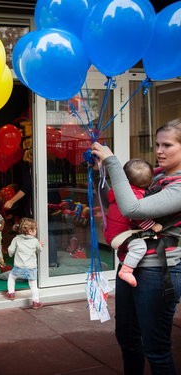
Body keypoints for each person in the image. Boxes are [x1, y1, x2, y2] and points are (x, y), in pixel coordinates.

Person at [91, 118, 181, 375]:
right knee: (128, 339)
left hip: (158, 272)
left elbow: (134, 208)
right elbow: (122, 198)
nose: (159, 151)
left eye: (167, 145)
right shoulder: (158, 177)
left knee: (156, 349)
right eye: (157, 145)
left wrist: (113, 162)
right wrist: (103, 171)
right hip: (131, 267)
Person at [104, 158, 163, 287]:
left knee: (133, 245)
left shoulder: (120, 191)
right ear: (148, 183)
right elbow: (138, 215)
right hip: (120, 235)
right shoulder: (135, 196)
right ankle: (126, 270)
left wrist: (161, 169)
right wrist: (152, 225)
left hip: (114, 232)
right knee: (139, 247)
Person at [4, 218, 44, 309]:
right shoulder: (35, 240)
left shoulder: (17, 239)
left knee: (11, 277)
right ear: (30, 231)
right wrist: (40, 245)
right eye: (35, 229)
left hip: (19, 266)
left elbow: (10, 250)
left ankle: (11, 293)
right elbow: (39, 250)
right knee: (33, 284)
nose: (36, 230)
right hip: (31, 267)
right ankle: (36, 302)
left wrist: (10, 254)